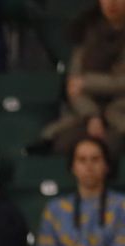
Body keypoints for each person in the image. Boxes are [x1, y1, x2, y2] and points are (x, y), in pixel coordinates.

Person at [42, 0, 125, 155]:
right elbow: (73, 86)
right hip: (88, 112)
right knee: (64, 144)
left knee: (106, 148)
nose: (112, 3)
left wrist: (87, 83)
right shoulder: (87, 32)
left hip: (120, 113)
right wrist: (92, 116)